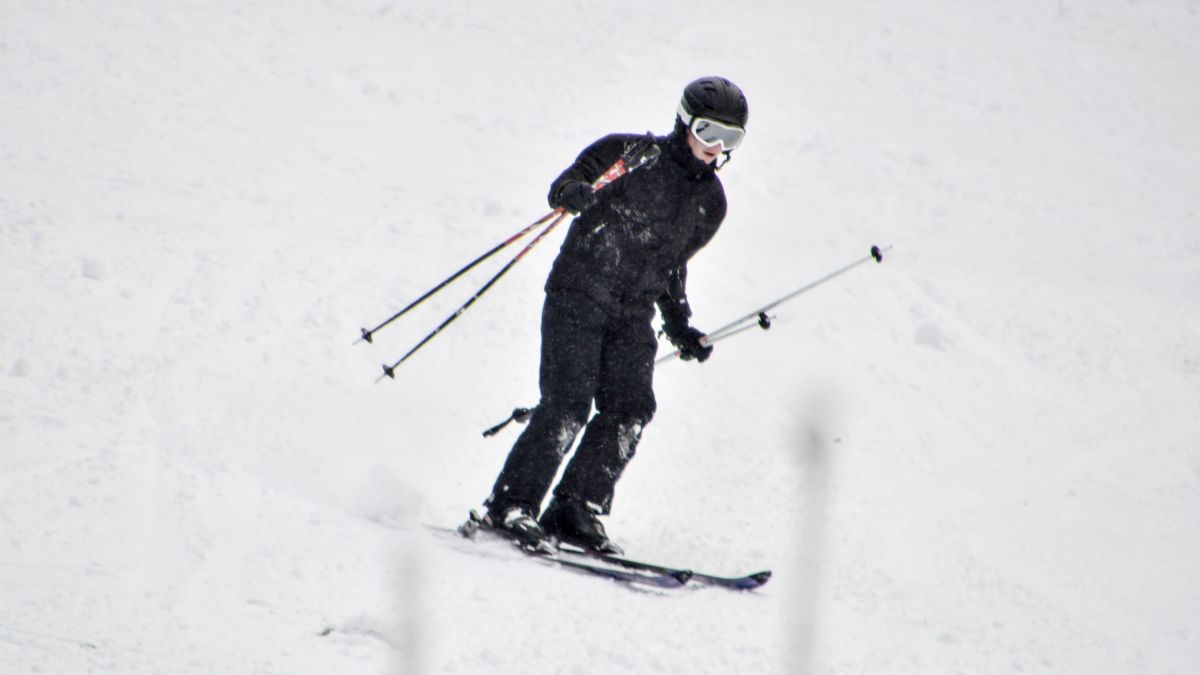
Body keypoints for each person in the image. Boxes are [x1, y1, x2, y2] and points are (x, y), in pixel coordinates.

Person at [479, 76, 749, 554]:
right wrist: (573, 192)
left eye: (731, 139)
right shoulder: (629, 154)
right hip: (579, 291)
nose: (717, 148)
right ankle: (511, 504)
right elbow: (567, 184)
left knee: (631, 408)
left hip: (632, 313)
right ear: (685, 122)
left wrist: (680, 324)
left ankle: (574, 508)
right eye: (710, 133)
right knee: (567, 401)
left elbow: (672, 266)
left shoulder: (712, 203)